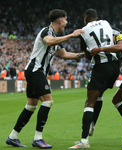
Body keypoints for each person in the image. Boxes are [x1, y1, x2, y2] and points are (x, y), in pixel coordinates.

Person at [6, 9, 85, 149]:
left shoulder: (56, 37)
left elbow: (65, 55)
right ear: (60, 21)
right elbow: (49, 42)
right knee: (48, 101)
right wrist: (72, 35)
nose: (66, 23)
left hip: (35, 72)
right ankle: (38, 138)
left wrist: (85, 55)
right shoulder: (47, 32)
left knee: (30, 106)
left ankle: (12, 136)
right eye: (66, 20)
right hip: (36, 71)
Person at [69, 8, 120, 149]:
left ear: (85, 19)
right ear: (96, 18)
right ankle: (92, 126)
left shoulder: (84, 30)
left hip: (101, 66)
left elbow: (88, 54)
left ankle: (84, 141)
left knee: (89, 102)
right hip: (115, 66)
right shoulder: (106, 23)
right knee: (99, 95)